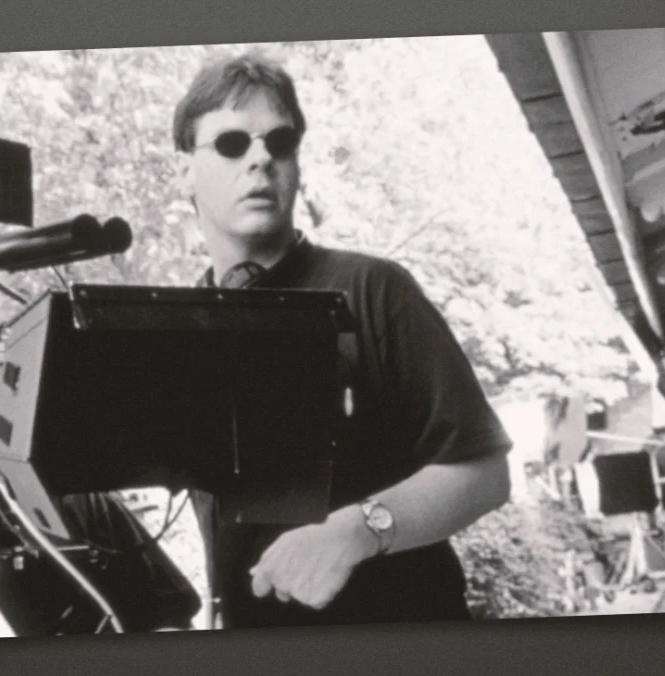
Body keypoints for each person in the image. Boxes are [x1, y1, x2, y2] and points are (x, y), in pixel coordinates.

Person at [171, 52, 514, 629]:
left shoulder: (373, 289)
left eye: (281, 143)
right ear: (184, 170)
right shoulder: (181, 328)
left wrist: (356, 531)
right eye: (231, 143)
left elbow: (485, 472)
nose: (261, 158)